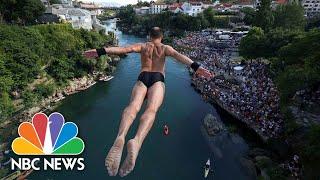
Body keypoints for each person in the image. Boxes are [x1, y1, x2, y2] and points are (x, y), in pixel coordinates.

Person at [83, 27, 213, 177]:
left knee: (133, 106)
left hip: (143, 77)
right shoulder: (165, 48)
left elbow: (124, 49)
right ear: (162, 37)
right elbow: (179, 56)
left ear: (149, 36)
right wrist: (197, 68)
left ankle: (121, 136)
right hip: (158, 79)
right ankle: (136, 141)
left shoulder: (143, 46)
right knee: (151, 110)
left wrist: (100, 51)